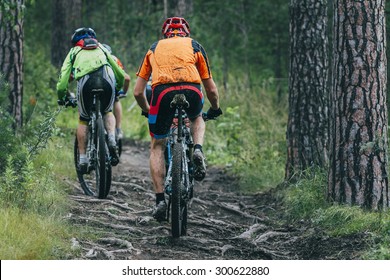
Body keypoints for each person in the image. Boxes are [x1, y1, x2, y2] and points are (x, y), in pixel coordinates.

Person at [133, 17, 222, 221]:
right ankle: (197, 149)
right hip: (191, 90)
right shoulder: (195, 45)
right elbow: (211, 88)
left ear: (165, 33)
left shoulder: (154, 48)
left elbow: (138, 92)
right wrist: (215, 108)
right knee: (197, 117)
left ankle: (159, 201)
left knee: (157, 144)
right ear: (186, 32)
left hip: (162, 93)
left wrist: (148, 110)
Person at [57, 27, 128, 173]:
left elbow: (63, 80)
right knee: (108, 111)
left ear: (75, 42)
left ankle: (82, 159)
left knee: (83, 118)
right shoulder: (102, 48)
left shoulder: (74, 52)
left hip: (86, 82)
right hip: (107, 79)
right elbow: (120, 74)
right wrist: (117, 88)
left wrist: (62, 96)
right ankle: (112, 139)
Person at [101, 43, 131, 140]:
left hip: (93, 88)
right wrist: (123, 91)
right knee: (116, 99)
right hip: (111, 88)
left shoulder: (92, 58)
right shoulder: (114, 59)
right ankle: (118, 129)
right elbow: (126, 78)